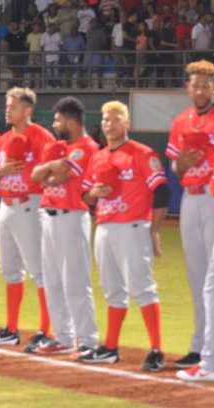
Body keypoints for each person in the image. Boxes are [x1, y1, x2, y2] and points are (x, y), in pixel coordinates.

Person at [164, 61, 214, 372]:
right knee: (197, 275)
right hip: (190, 197)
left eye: (205, 84)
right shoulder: (180, 120)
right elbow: (174, 167)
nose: (200, 90)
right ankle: (200, 346)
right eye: (194, 85)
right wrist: (181, 164)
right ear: (188, 88)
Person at [81, 101, 168, 373]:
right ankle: (110, 348)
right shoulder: (97, 156)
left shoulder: (142, 153)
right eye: (106, 119)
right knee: (112, 290)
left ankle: (156, 350)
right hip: (105, 226)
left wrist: (153, 229)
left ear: (127, 123)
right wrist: (93, 195)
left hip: (133, 226)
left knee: (142, 288)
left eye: (116, 119)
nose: (109, 124)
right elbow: (84, 196)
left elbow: (162, 191)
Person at [24, 96, 101, 356]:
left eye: (58, 120)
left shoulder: (85, 147)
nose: (55, 125)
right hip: (49, 215)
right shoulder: (59, 148)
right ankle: (64, 336)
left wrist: (48, 174)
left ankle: (88, 339)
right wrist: (47, 169)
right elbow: (35, 176)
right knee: (53, 280)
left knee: (75, 281)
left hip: (71, 215)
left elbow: (61, 175)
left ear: (71, 122)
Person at [0, 88, 56, 349]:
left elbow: (53, 172)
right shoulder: (2, 140)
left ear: (27, 110)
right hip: (6, 205)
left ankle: (46, 330)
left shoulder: (41, 137)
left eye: (12, 106)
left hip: (30, 205)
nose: (7, 110)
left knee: (40, 270)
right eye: (6, 105)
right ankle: (11, 329)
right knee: (10, 270)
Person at [2, 22, 28, 88]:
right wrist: (5, 55)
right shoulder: (8, 35)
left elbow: (26, 44)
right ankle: (15, 84)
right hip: (11, 55)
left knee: (20, 69)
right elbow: (5, 45)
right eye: (12, 25)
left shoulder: (22, 34)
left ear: (18, 25)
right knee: (13, 70)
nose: (13, 26)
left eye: (15, 25)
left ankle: (20, 83)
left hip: (20, 54)